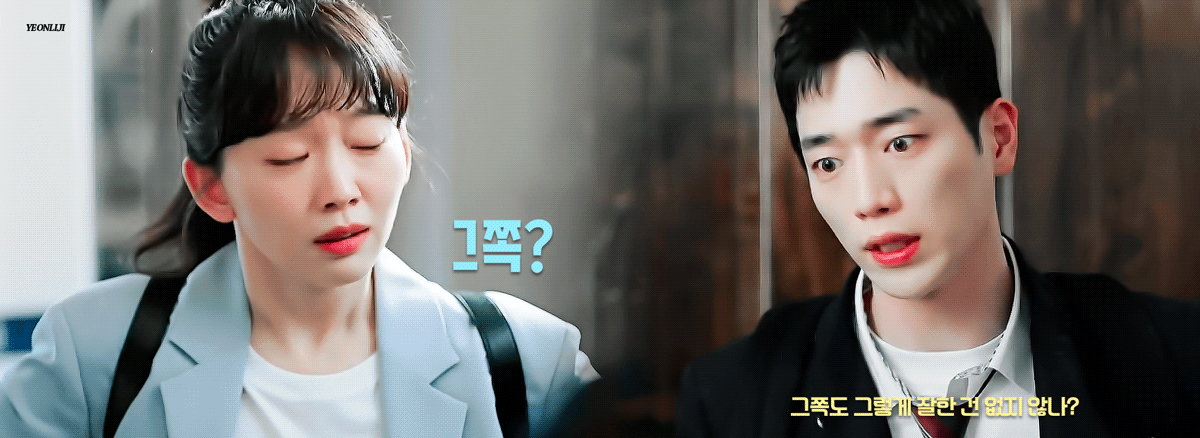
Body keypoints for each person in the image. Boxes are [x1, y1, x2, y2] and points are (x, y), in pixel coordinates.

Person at [1, 0, 597, 436]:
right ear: (211, 188)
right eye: (289, 157)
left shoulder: (528, 361)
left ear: (404, 150)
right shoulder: (94, 356)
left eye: (367, 143)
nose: (340, 191)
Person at [675, 0, 1197, 437]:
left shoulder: (1175, 358)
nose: (869, 199)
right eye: (828, 163)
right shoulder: (732, 401)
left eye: (900, 143)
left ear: (998, 138)